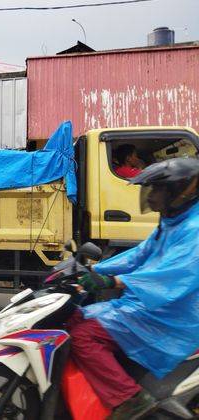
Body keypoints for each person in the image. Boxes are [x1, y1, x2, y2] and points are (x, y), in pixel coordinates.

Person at [69, 157, 199, 420]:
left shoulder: (194, 228)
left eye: (158, 190)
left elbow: (171, 276)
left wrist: (115, 281)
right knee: (76, 317)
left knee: (84, 335)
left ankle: (131, 400)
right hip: (151, 307)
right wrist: (95, 270)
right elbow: (140, 255)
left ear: (181, 191)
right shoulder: (172, 222)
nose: (152, 196)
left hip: (173, 317)